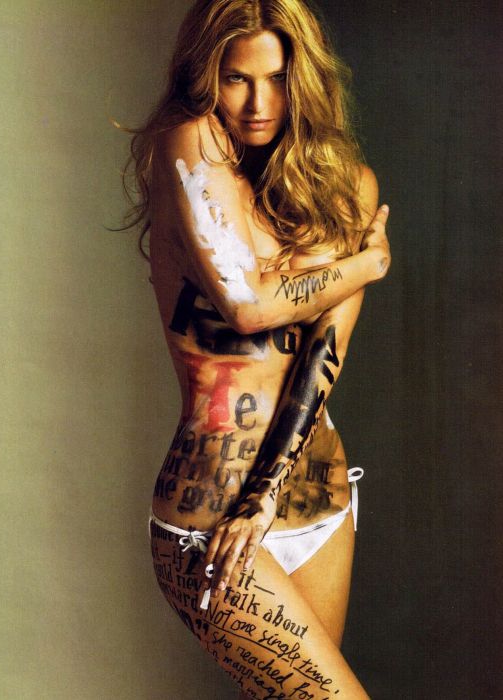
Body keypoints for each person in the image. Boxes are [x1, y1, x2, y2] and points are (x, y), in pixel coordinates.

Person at [122, 1, 390, 697]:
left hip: (314, 500)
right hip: (212, 513)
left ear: (304, 80)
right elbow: (248, 307)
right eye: (237, 78)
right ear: (207, 76)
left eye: (276, 79)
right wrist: (363, 265)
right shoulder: (190, 144)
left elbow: (325, 353)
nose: (258, 103)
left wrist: (266, 494)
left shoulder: (348, 186)